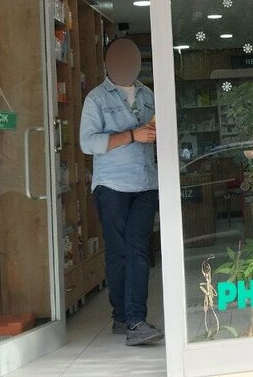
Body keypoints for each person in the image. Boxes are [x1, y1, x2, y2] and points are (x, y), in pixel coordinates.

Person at [79, 38, 164, 346]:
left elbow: (154, 134)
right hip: (112, 187)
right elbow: (88, 142)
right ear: (108, 63)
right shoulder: (96, 98)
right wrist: (132, 135)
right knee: (119, 253)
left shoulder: (148, 94)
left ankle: (135, 320)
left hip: (145, 184)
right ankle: (122, 317)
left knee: (138, 249)